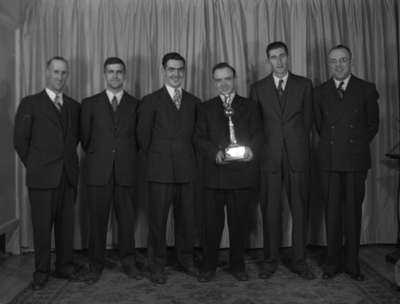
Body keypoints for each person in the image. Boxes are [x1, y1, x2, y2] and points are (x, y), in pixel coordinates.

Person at [13, 56, 80, 290]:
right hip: (41, 178)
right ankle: (41, 271)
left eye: (64, 73)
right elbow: (20, 141)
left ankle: (64, 267)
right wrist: (35, 165)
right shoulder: (30, 103)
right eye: (56, 72)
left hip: (68, 177)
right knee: (42, 228)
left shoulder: (73, 106)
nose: (60, 77)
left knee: (65, 227)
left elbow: (76, 140)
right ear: (47, 72)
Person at [250, 41, 315, 280]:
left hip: (298, 157)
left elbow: (308, 123)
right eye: (273, 57)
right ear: (268, 60)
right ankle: (269, 261)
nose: (278, 61)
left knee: (300, 210)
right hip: (269, 159)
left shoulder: (304, 85)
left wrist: (294, 144)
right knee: (270, 211)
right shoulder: (257, 88)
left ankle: (299, 261)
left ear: (288, 57)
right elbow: (255, 126)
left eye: (282, 56)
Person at [314, 45, 379, 281]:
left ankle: (352, 263)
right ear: (328, 64)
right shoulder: (319, 91)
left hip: (355, 160)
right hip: (329, 161)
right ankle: (331, 263)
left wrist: (353, 146)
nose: (338, 65)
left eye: (343, 60)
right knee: (331, 213)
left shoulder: (366, 89)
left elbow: (373, 125)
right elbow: (319, 126)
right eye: (333, 61)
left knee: (352, 213)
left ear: (351, 61)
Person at [195, 62, 262, 282]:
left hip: (242, 175)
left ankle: (238, 265)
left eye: (227, 78)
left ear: (235, 79)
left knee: (239, 224)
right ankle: (208, 266)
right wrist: (215, 153)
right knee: (211, 225)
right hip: (214, 176)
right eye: (219, 79)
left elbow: (259, 134)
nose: (224, 83)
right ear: (214, 82)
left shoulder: (250, 106)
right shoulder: (205, 108)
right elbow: (199, 138)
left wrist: (251, 149)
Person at [137, 52, 200, 284]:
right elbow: (143, 140)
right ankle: (156, 265)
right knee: (157, 222)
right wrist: (154, 167)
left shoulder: (195, 102)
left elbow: (197, 138)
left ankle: (186, 260)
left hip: (187, 172)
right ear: (163, 70)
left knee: (187, 221)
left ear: (184, 71)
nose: (176, 73)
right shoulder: (150, 101)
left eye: (180, 69)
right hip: (159, 172)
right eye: (171, 69)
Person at [80, 57, 142, 283]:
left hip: (126, 171)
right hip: (98, 172)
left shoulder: (136, 104)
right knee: (97, 221)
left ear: (125, 75)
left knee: (127, 221)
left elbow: (139, 139)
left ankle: (129, 262)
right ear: (104, 75)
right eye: (110, 72)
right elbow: (85, 139)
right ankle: (95, 265)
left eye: (119, 72)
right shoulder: (89, 104)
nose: (115, 76)